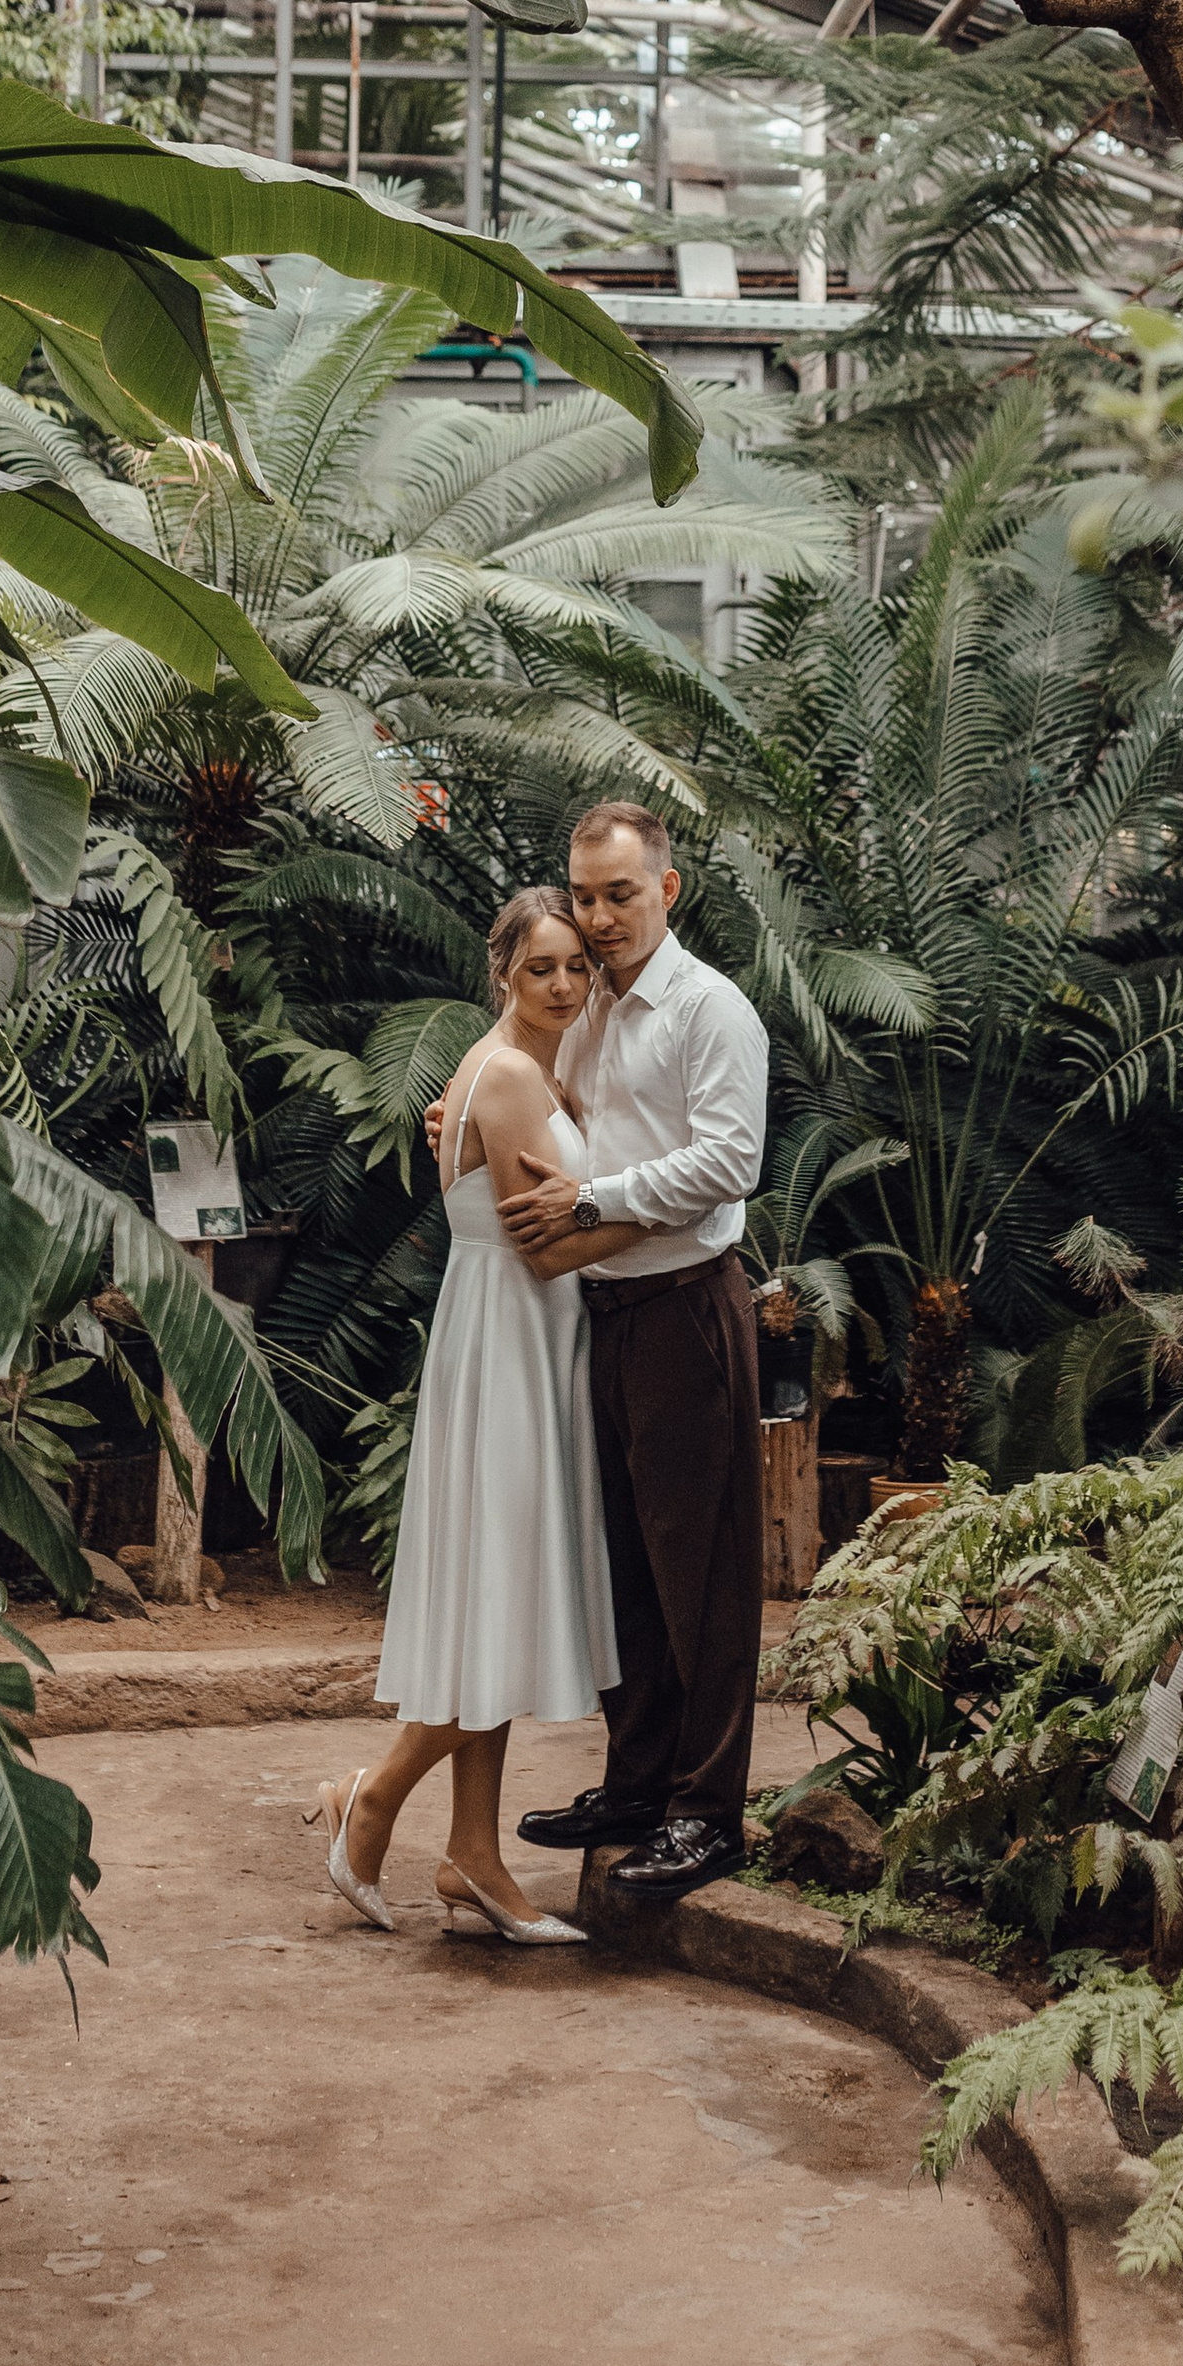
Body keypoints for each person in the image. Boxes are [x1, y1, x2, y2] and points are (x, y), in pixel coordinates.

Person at [310, 886, 647, 1943]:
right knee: (501, 1594)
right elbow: (544, 1248)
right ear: (500, 972)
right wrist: (668, 1212)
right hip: (510, 1339)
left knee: (496, 1601)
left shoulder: (528, 1070)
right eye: (541, 967)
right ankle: (372, 1799)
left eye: (576, 967)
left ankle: (472, 1857)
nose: (564, 984)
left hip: (520, 1336)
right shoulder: (505, 1074)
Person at [494, 800, 769, 1903]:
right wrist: (463, 1122)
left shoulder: (710, 1010)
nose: (600, 917)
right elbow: (558, 1109)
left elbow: (730, 1161)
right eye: (585, 896)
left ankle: (708, 1816)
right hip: (599, 1314)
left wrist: (592, 1197)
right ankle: (638, 1784)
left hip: (686, 1313)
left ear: (668, 888)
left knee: (703, 1576)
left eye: (620, 894)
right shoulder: (590, 1007)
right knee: (626, 1572)